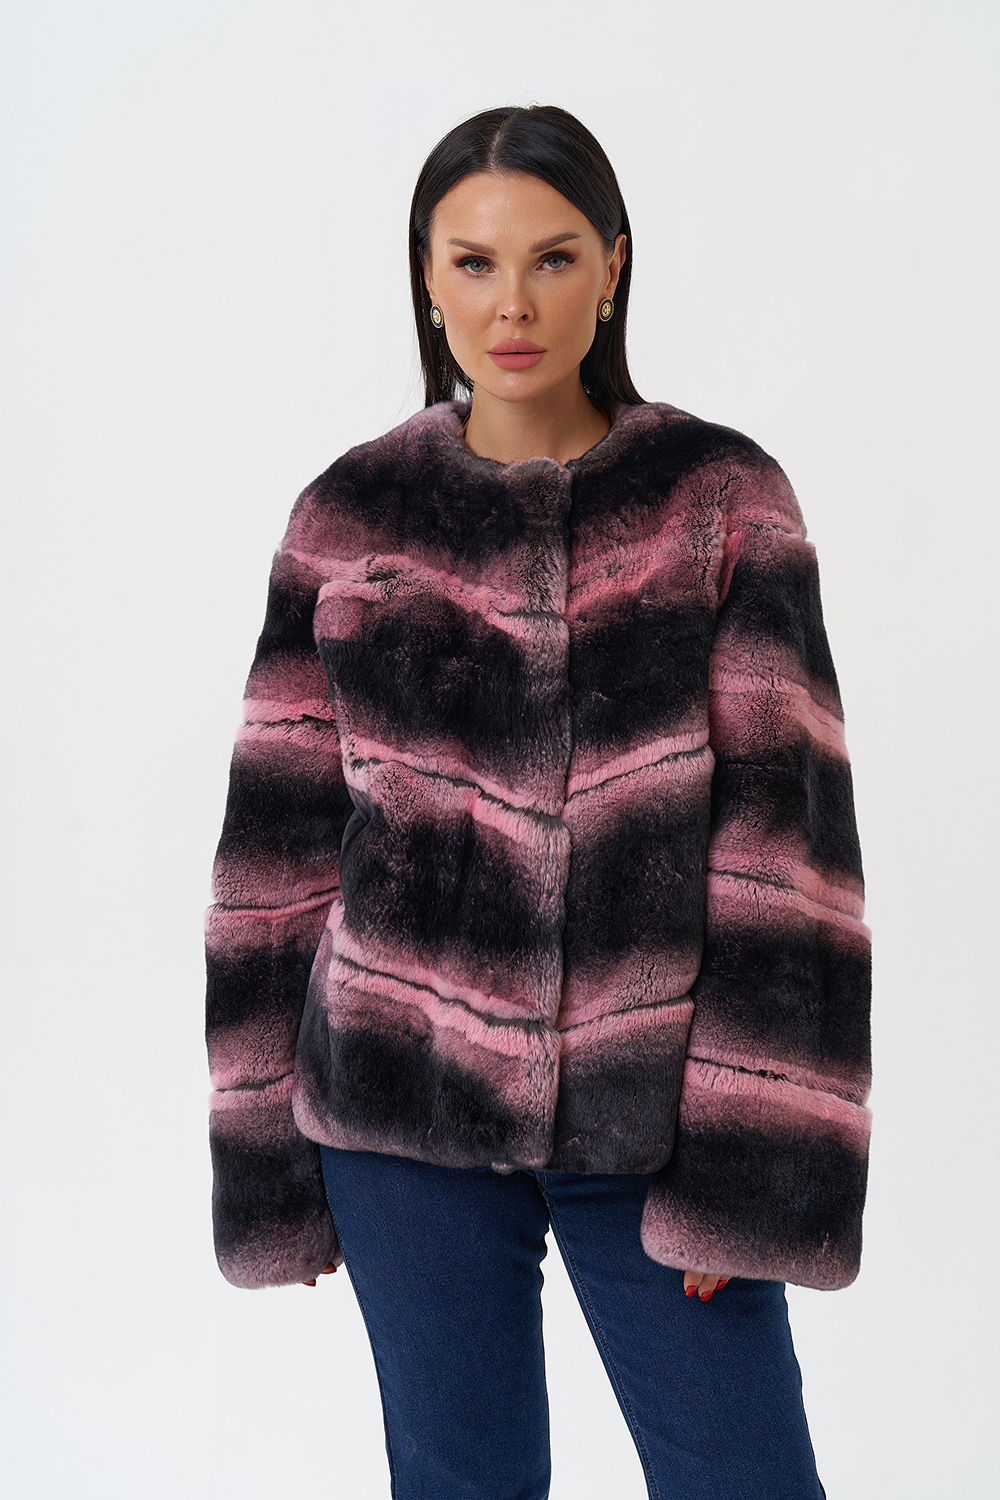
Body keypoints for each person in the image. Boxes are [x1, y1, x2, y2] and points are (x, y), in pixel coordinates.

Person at [204, 103, 872, 1499]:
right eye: (474, 262)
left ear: (613, 266)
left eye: (553, 258)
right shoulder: (350, 516)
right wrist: (270, 1163)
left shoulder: (720, 502)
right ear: (427, 278)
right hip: (400, 1105)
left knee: (745, 1475)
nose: (512, 304)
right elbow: (276, 863)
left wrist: (745, 1173)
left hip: (661, 1116)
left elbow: (789, 858)